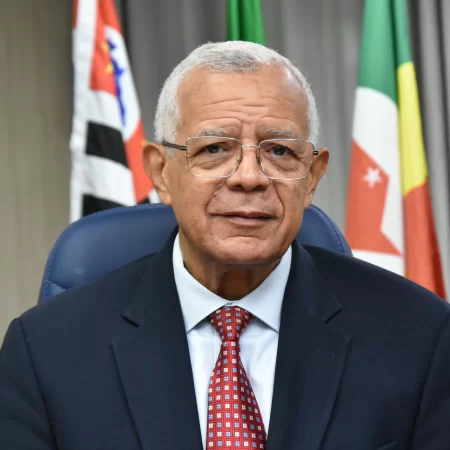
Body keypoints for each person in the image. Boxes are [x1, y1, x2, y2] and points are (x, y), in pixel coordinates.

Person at [1, 41, 449, 450]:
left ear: (312, 177)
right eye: (215, 148)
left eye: (279, 151)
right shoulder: (44, 352)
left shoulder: (421, 337)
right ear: (160, 172)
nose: (249, 177)